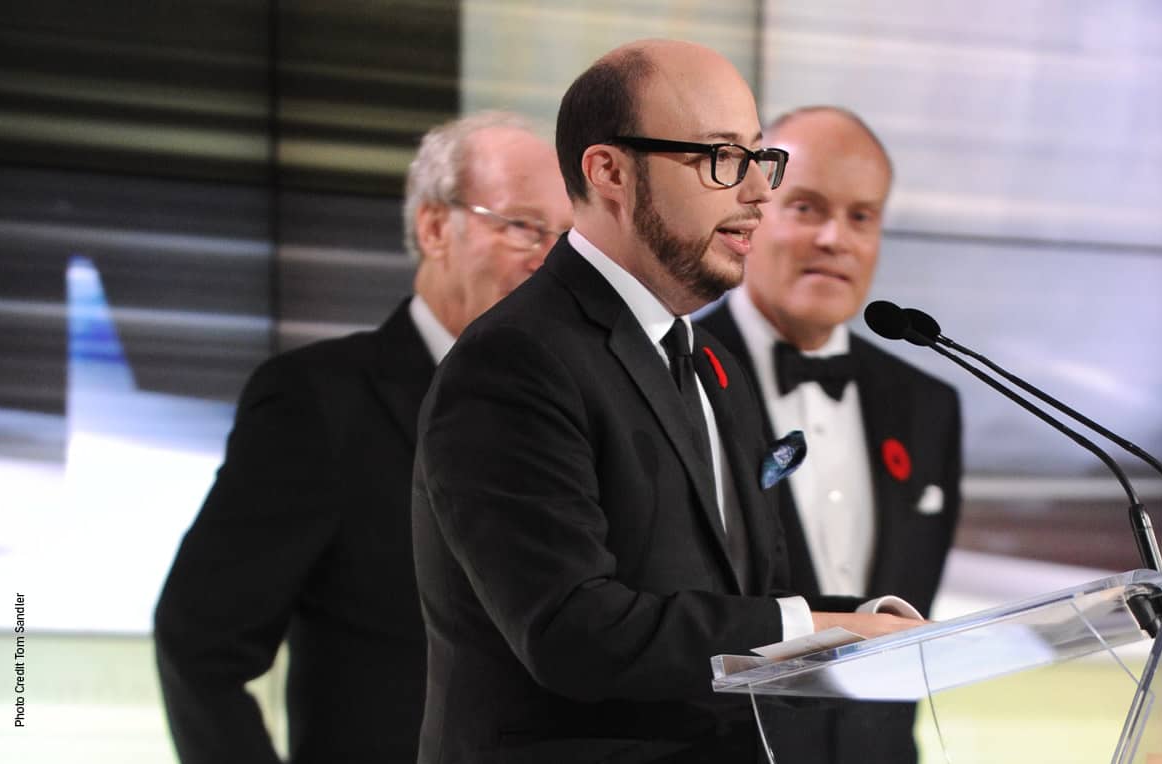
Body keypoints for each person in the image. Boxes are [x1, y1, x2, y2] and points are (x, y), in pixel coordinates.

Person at [411, 41, 923, 764]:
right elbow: (572, 632)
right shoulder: (515, 359)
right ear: (610, 171)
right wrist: (811, 620)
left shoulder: (712, 363)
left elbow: (733, 597)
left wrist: (851, 629)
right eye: (720, 158)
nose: (757, 193)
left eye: (758, 160)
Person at [153, 111, 572, 764]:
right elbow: (199, 643)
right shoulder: (316, 401)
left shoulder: (571, 409)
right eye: (523, 226)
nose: (550, 260)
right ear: (436, 226)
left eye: (566, 238)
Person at [699, 106, 962, 762]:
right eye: (807, 208)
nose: (835, 239)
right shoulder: (675, 372)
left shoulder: (929, 404)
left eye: (861, 216)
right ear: (750, 215)